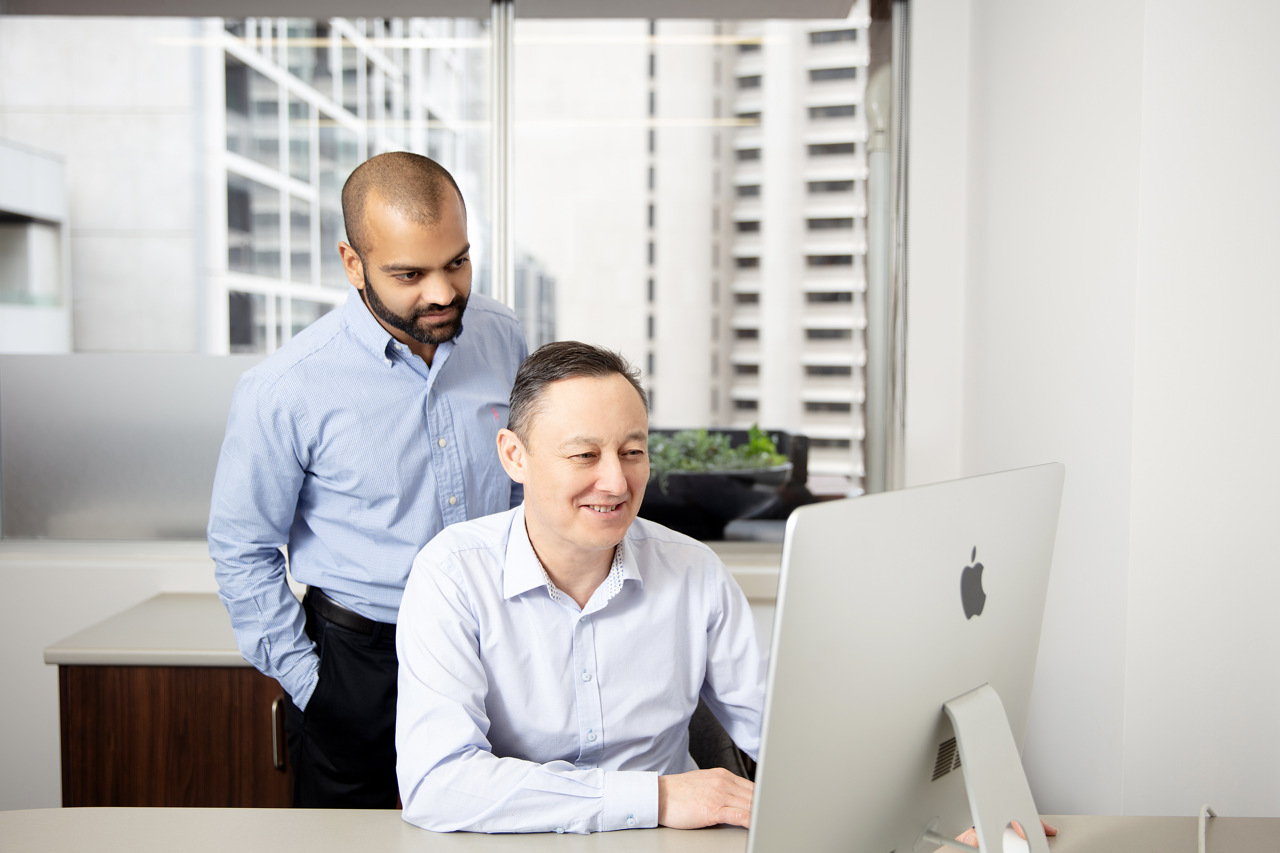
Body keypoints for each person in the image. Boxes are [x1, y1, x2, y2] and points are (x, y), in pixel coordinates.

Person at [208, 151, 527, 808]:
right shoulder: (285, 387)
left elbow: (527, 485)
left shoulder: (503, 336)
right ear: (353, 262)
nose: (441, 292)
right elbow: (242, 550)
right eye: (409, 273)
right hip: (361, 663)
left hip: (497, 647)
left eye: (457, 262)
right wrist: (314, 686)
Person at [395, 341, 765, 833]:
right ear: (514, 456)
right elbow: (438, 784)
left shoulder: (694, 569)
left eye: (632, 452)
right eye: (585, 454)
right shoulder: (452, 575)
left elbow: (783, 737)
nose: (615, 481)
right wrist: (653, 797)